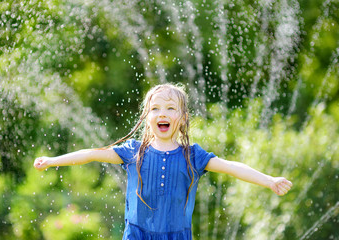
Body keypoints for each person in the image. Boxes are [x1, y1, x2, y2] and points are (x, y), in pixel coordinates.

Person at [34, 83, 292, 239]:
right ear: (147, 117)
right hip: (136, 235)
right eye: (155, 108)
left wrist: (269, 180)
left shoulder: (193, 156)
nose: (162, 113)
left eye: (170, 108)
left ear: (182, 117)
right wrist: (53, 160)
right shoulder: (133, 151)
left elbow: (232, 167)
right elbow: (91, 153)